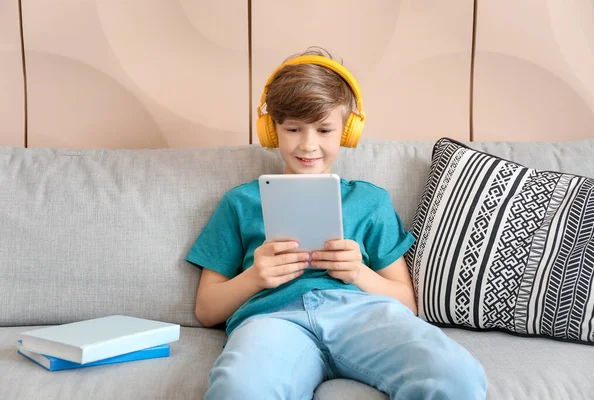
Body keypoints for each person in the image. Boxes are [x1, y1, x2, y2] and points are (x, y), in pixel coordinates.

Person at [186, 47, 488, 400]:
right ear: (271, 130)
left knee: (456, 375)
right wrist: (255, 277)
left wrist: (359, 272)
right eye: (293, 129)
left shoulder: (370, 201)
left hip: (363, 316)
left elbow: (407, 301)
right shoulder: (240, 202)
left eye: (324, 129)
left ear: (347, 131)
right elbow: (207, 310)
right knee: (238, 388)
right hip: (273, 322)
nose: (308, 144)